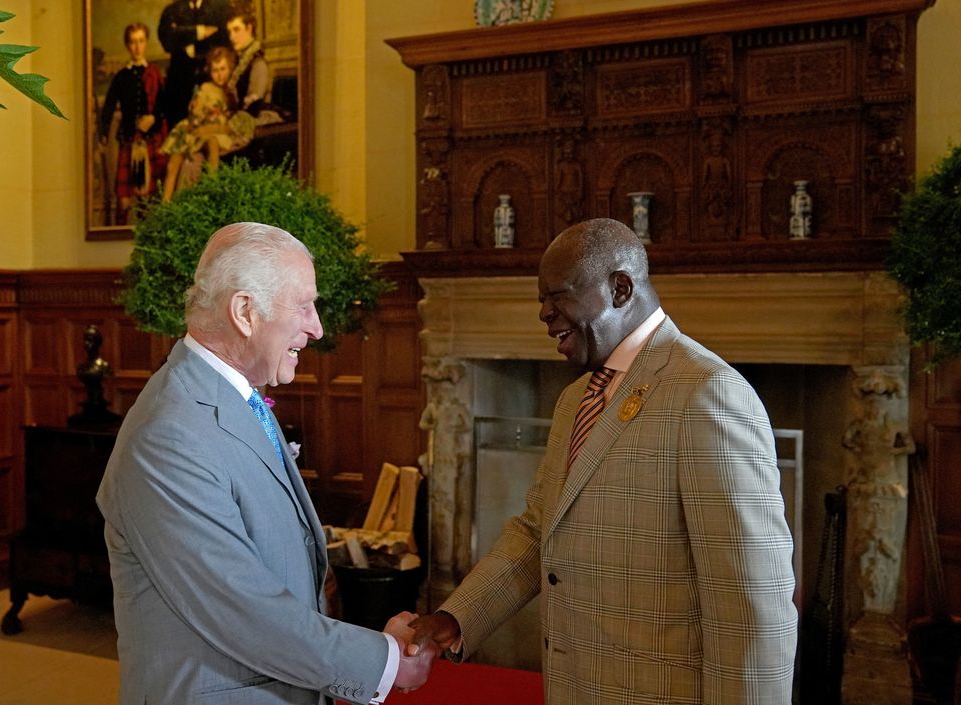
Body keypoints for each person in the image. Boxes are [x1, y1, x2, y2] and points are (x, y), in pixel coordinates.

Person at [410, 218, 798, 704]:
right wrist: (457, 618)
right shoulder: (575, 399)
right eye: (541, 300)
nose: (545, 314)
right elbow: (538, 530)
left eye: (559, 296)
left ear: (620, 288)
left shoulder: (708, 394)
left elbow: (752, 608)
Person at [96, 222, 437, 704]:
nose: (317, 326)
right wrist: (384, 661)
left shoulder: (238, 397)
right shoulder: (168, 436)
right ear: (245, 312)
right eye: (304, 305)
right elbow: (241, 610)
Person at [97, 22, 168, 224]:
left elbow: (164, 106)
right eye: (133, 42)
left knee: (146, 196)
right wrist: (102, 135)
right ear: (128, 45)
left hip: (149, 141)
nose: (137, 46)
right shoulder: (121, 76)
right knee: (124, 200)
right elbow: (108, 106)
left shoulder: (155, 74)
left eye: (141, 41)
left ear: (145, 43)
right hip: (128, 139)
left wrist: (153, 117)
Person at [160, 45, 243, 201]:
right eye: (215, 70)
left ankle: (213, 186)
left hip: (215, 131)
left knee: (212, 143)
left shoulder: (230, 91)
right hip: (198, 126)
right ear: (209, 71)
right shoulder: (206, 88)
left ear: (230, 68)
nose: (219, 75)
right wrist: (197, 111)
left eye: (223, 69)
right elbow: (196, 111)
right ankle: (166, 202)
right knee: (174, 163)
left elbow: (232, 114)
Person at [157, 0, 230, 131]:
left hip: (211, 80)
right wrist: (198, 31)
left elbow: (223, 40)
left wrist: (180, 33)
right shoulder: (172, 10)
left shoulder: (219, 8)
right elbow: (167, 40)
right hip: (179, 82)